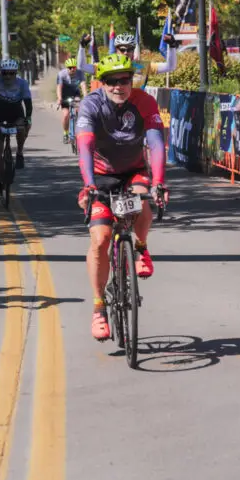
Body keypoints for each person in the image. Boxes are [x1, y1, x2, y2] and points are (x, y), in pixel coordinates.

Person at [75, 53, 167, 341]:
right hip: (101, 176)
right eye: (112, 81)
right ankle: (99, 308)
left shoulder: (145, 102)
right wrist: (89, 185)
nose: (119, 86)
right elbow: (85, 147)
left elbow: (155, 143)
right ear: (102, 83)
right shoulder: (91, 105)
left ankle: (140, 247)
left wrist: (160, 182)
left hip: (133, 171)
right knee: (101, 240)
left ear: (131, 81)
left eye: (124, 80)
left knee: (142, 198)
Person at [0, 58, 32, 195]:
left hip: (16, 115)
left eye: (11, 73)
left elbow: (28, 102)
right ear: (1, 73)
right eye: (5, 73)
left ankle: (20, 152)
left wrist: (28, 118)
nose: (8, 76)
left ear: (16, 73)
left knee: (23, 127)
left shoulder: (22, 83)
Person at [77, 31, 178, 90]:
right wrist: (82, 47)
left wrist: (172, 46)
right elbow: (82, 66)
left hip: (137, 110)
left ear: (133, 50)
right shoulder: (107, 65)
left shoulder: (143, 66)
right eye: (122, 49)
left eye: (129, 49)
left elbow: (170, 66)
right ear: (116, 50)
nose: (126, 52)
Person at [56, 57, 87, 142]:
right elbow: (59, 87)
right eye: (70, 68)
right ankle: (66, 133)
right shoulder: (61, 74)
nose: (72, 69)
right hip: (64, 95)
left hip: (75, 94)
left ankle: (79, 130)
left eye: (74, 67)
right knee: (66, 115)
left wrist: (86, 96)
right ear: (67, 68)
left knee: (78, 109)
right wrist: (59, 98)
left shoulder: (80, 73)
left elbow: (83, 85)